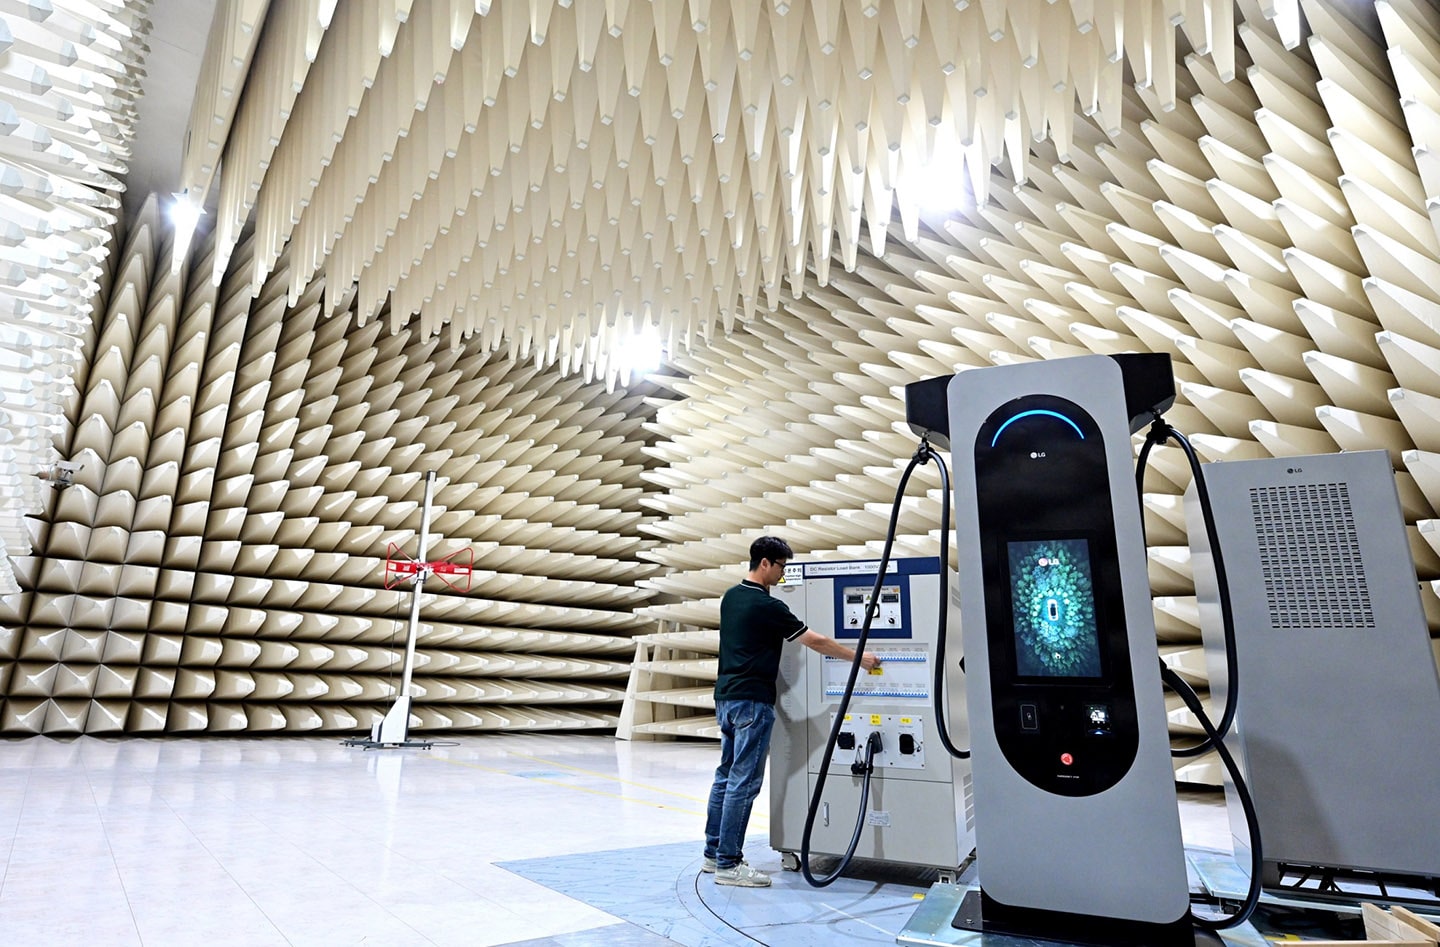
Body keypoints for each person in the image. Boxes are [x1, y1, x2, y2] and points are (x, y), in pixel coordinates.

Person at [702, 536, 881, 887]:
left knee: (725, 777)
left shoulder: (731, 597)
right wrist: (860, 659)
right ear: (765, 563)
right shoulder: (766, 606)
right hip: (753, 702)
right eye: (782, 567)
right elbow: (814, 641)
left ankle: (713, 854)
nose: (783, 575)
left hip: (725, 699)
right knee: (744, 782)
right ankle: (729, 863)